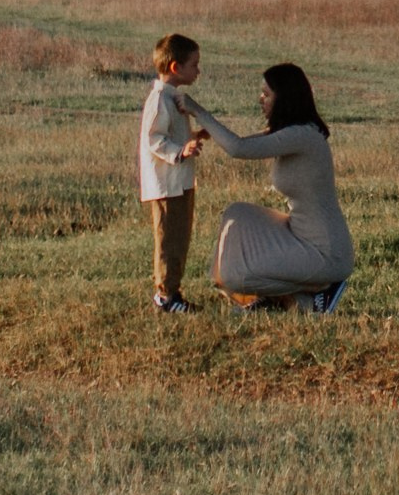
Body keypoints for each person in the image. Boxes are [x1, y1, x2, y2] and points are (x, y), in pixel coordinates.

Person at [181, 63, 354, 313]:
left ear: (284, 98)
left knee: (234, 277)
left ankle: (320, 291)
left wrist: (196, 110)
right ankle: (290, 298)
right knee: (237, 214)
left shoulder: (303, 136)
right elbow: (240, 142)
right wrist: (206, 132)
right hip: (299, 234)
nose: (260, 99)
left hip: (326, 252)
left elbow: (239, 149)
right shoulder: (291, 133)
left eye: (266, 94)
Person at [139, 32, 207, 314]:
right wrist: (181, 151)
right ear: (176, 67)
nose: (197, 71)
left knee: (180, 237)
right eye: (194, 65)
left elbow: (175, 134)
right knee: (168, 239)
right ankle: (165, 296)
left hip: (180, 182)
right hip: (166, 185)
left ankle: (174, 291)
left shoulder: (174, 99)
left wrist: (193, 137)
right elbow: (154, 139)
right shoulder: (158, 100)